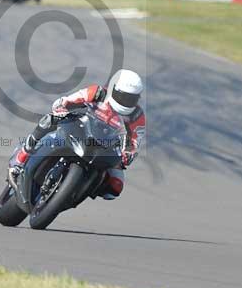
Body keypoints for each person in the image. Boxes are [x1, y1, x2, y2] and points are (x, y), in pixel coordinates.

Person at [10, 69, 145, 200]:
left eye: (131, 98)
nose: (125, 101)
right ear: (113, 88)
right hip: (80, 129)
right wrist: (63, 106)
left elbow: (135, 140)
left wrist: (129, 152)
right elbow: (70, 100)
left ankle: (83, 189)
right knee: (48, 121)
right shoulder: (98, 93)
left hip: (106, 147)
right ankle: (21, 158)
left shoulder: (136, 115)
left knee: (116, 187)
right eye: (123, 96)